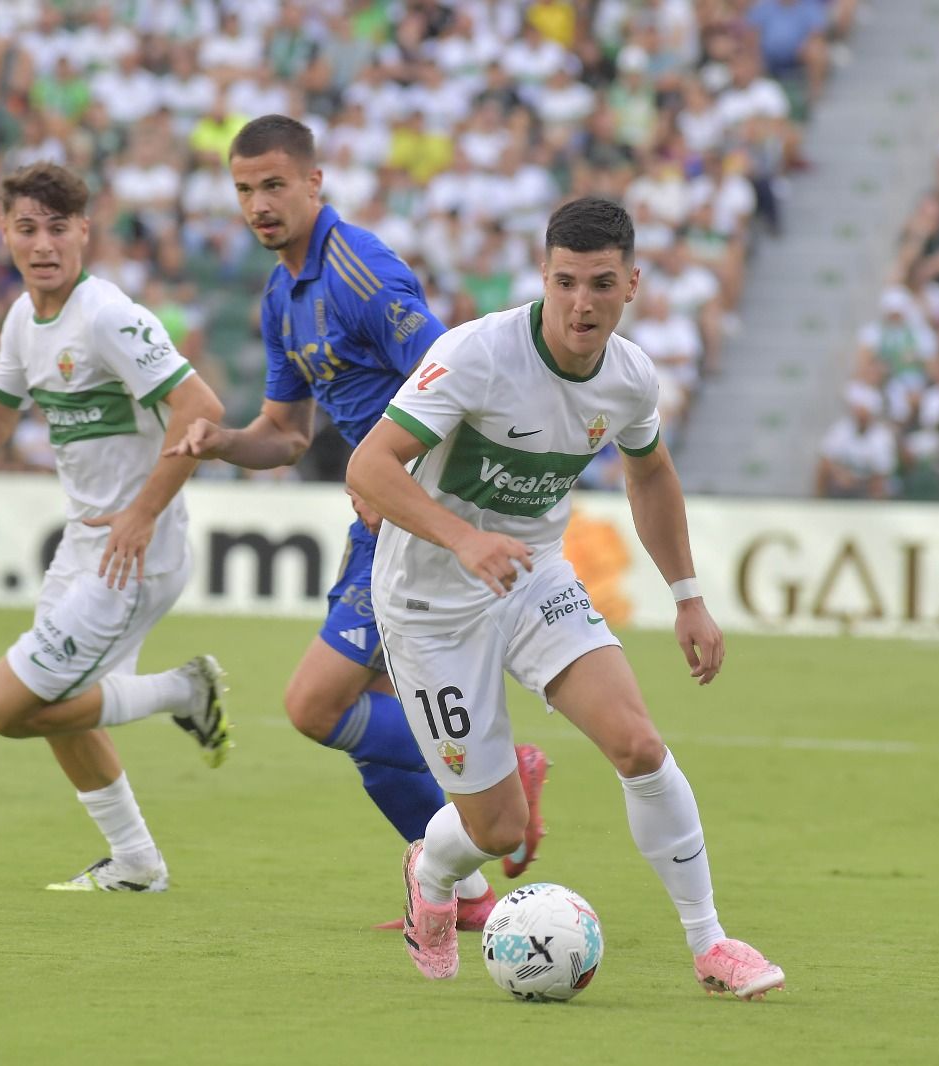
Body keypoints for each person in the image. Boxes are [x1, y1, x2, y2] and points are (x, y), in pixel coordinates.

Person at [347, 197, 786, 999]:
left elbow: (650, 472)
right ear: (542, 279)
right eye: (566, 283)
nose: (582, 303)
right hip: (429, 603)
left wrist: (688, 597)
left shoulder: (628, 376)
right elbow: (369, 469)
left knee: (640, 746)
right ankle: (430, 868)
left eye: (602, 284)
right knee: (499, 829)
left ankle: (711, 945)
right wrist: (466, 539)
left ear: (633, 285)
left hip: (531, 579)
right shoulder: (475, 355)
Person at [165, 115, 550, 928]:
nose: (258, 204)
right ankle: (463, 893)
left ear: (314, 182)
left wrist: (397, 469)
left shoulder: (360, 274)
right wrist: (224, 442)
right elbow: (288, 433)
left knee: (316, 707)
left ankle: (497, 778)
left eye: (273, 185)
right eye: (243, 190)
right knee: (375, 717)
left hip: (420, 518)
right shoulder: (281, 294)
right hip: (378, 519)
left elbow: (457, 378)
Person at [0, 163, 231, 893]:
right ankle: (137, 863)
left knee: (8, 706)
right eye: (26, 228)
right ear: (6, 235)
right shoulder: (24, 318)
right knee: (59, 711)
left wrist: (142, 513)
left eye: (57, 227)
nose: (42, 244)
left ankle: (182, 690)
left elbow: (200, 409)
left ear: (84, 231)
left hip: (135, 550)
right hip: (84, 544)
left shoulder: (107, 315)